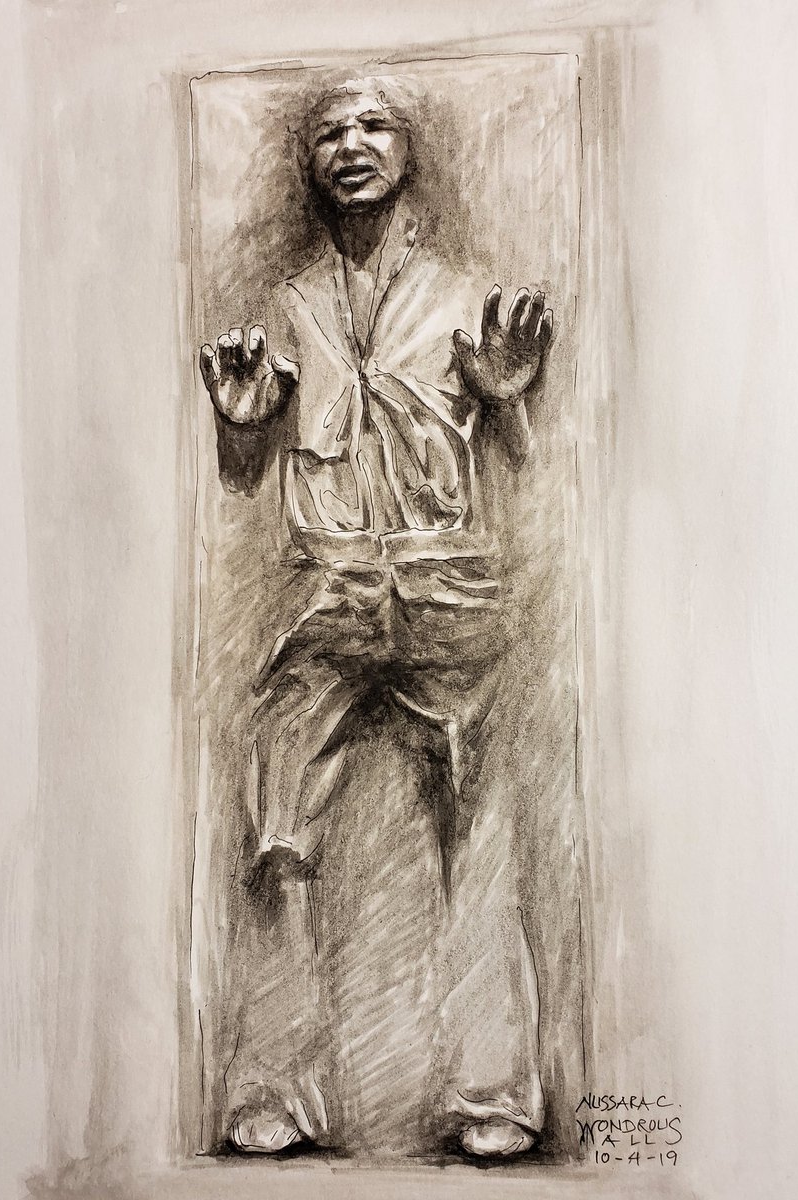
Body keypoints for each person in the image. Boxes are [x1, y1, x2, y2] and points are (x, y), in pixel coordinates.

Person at [198, 76, 555, 1160]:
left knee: (481, 835)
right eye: (329, 133)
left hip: (448, 590)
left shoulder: (464, 295)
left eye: (372, 126)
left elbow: (524, 470)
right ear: (310, 162)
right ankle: (272, 1093)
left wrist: (508, 401)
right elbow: (247, 471)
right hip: (330, 588)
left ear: (407, 148)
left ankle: (495, 1098)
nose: (350, 146)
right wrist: (241, 429)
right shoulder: (291, 304)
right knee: (275, 831)